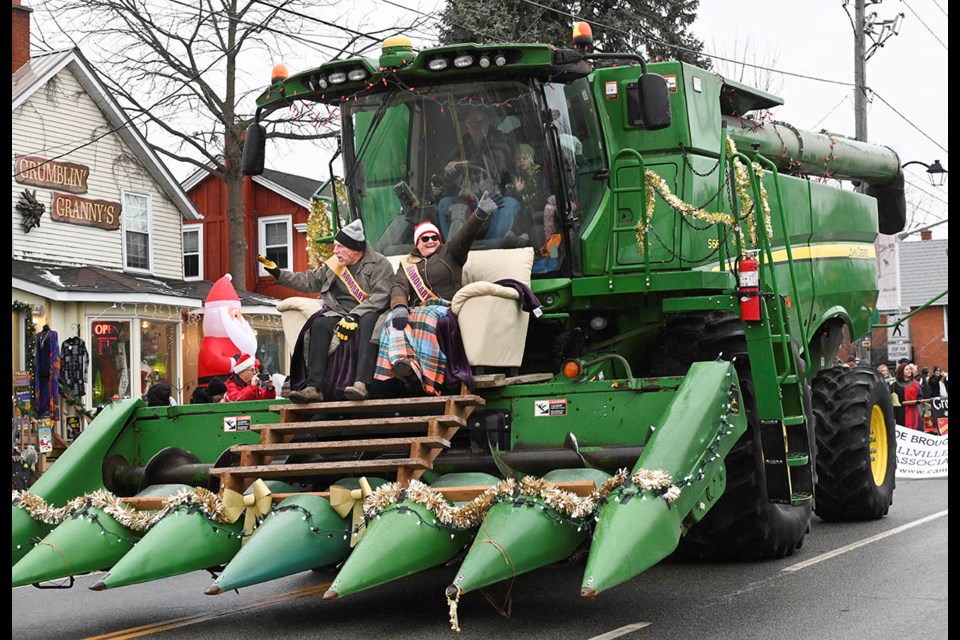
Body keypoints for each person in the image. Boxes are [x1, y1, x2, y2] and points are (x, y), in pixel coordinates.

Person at [375, 192, 504, 396]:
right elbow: (399, 285)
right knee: (393, 318)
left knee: (425, 316)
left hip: (445, 307)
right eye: (424, 238)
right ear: (417, 243)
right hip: (418, 308)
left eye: (434, 237)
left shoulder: (451, 253)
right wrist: (399, 306)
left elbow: (466, 235)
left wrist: (479, 214)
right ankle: (403, 364)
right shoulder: (407, 264)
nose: (430, 241)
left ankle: (429, 378)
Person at [261, 219, 394, 402]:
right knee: (320, 324)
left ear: (355, 248)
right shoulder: (334, 265)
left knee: (368, 322)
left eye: (339, 246)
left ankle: (361, 384)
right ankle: (313, 387)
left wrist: (355, 314)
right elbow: (309, 281)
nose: (334, 251)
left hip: (369, 312)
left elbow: (381, 296)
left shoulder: (380, 264)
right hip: (339, 312)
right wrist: (278, 273)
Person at [435, 104, 520, 244]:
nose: (475, 126)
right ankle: (451, 250)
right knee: (445, 203)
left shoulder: (501, 140)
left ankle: (490, 249)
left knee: (508, 204)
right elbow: (451, 171)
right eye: (470, 123)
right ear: (466, 125)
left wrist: (461, 164)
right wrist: (445, 178)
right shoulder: (463, 144)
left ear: (487, 122)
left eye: (479, 122)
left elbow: (496, 163)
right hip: (471, 198)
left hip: (500, 195)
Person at [890, 362, 922, 430]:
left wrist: (918, 400)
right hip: (900, 413)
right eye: (907, 369)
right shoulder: (895, 385)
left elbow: (920, 396)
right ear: (902, 372)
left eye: (910, 369)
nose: (909, 371)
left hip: (913, 411)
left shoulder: (916, 384)